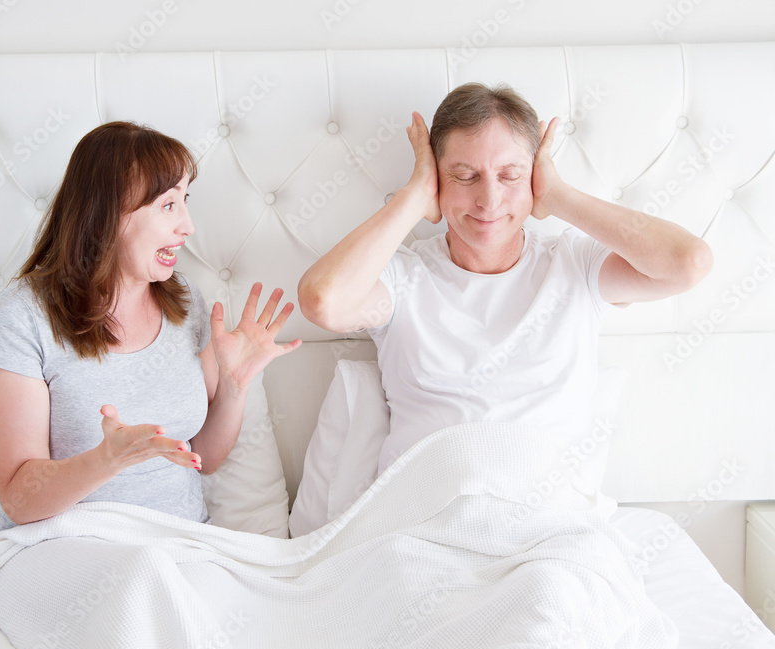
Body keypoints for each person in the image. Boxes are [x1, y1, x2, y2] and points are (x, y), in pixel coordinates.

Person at [298, 83, 712, 474]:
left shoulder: (575, 266)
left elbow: (688, 262)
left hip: (547, 521)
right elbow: (323, 300)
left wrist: (557, 197)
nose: (489, 200)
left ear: (534, 177)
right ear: (437, 179)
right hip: (424, 519)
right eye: (464, 176)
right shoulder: (403, 276)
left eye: (511, 176)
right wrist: (414, 197)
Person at [0, 121, 301, 536]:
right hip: (58, 545)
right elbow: (17, 499)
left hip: (177, 546)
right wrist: (106, 460)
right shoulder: (20, 318)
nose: (187, 226)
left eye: (185, 201)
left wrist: (235, 387)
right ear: (105, 215)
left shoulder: (185, 304)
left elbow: (203, 456)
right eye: (168, 206)